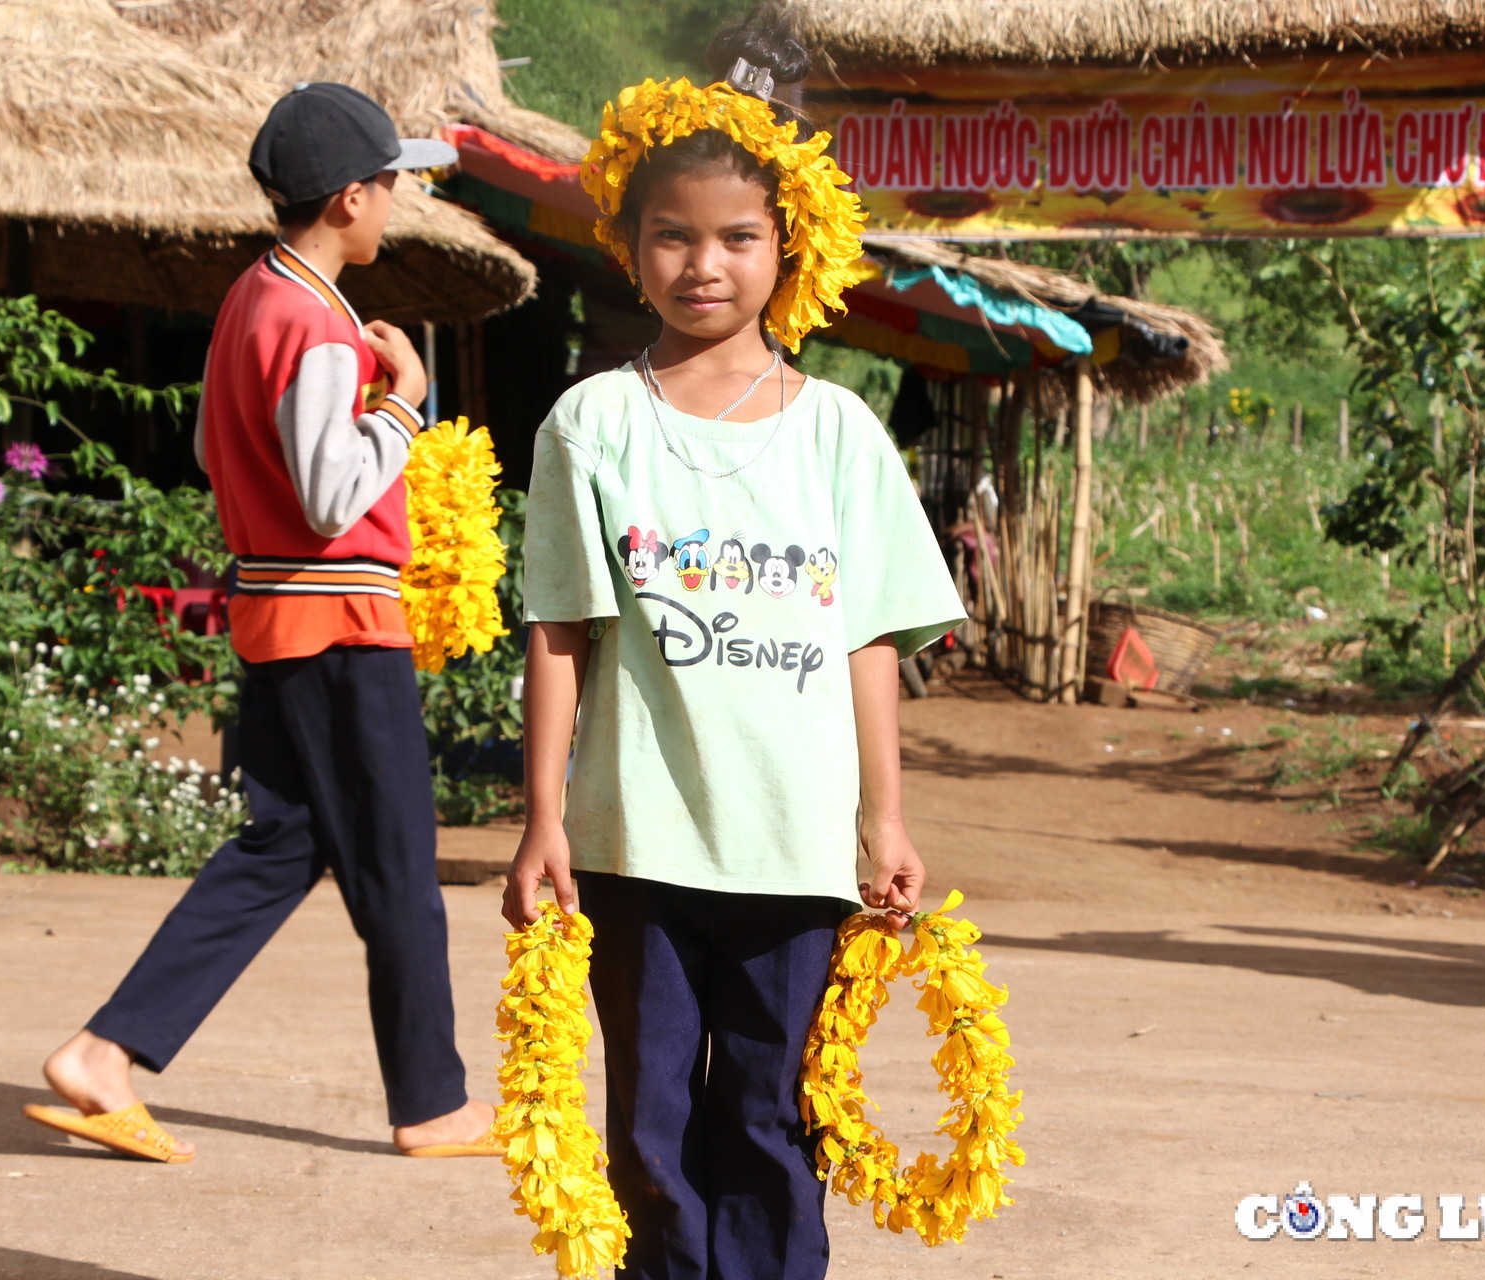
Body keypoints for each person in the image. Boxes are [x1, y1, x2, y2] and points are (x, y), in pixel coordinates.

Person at [504, 11, 965, 1279]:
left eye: (738, 237)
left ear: (788, 246)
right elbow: (562, 631)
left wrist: (886, 817)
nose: (705, 264)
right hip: (640, 842)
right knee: (650, 1132)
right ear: (630, 246)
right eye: (674, 235)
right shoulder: (593, 424)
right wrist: (543, 814)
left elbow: (870, 634)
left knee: (770, 1117)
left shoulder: (837, 435)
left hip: (796, 847)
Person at [24, 82, 497, 1164]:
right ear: (346, 198)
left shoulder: (250, 299)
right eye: (390, 185)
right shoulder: (321, 322)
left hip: (274, 608)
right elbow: (334, 494)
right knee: (398, 865)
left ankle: (106, 1053)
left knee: (283, 843)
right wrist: (403, 401)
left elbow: (208, 453)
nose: (397, 202)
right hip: (337, 617)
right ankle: (432, 1102)